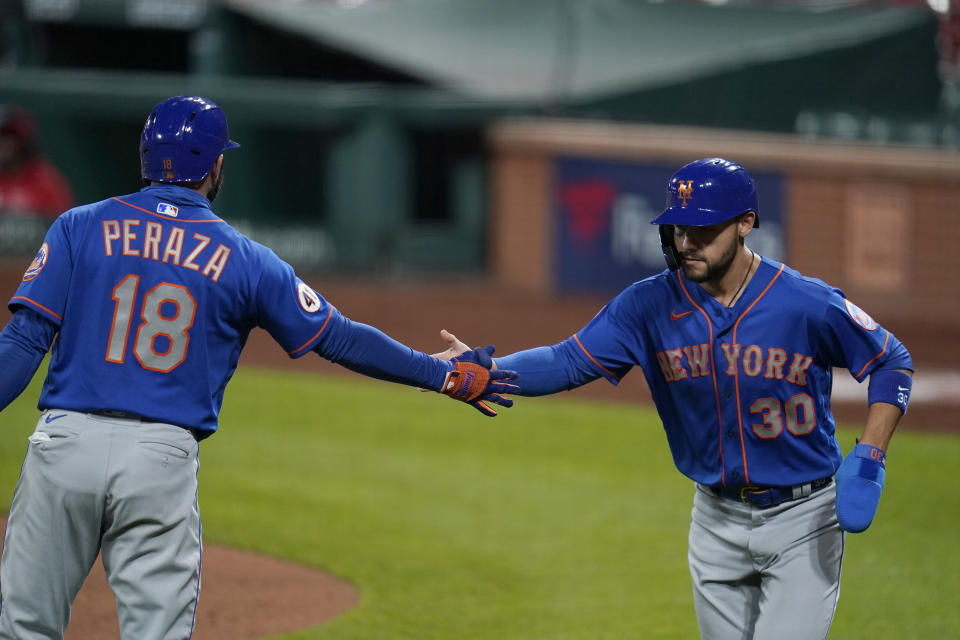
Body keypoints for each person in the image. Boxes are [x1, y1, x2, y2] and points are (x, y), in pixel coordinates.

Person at [0, 95, 518, 640]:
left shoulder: (77, 226)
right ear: (215, 163)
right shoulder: (246, 259)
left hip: (63, 447)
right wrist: (442, 374)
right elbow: (339, 338)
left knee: (24, 629)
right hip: (160, 458)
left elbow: (23, 342)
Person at [437, 157, 913, 640]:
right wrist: (489, 370)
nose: (688, 242)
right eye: (681, 228)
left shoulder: (806, 303)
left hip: (803, 519)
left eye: (705, 229)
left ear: (746, 224)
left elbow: (891, 360)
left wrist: (870, 457)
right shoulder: (647, 305)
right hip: (714, 519)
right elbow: (567, 361)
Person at [0, 107, 73, 220]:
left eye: (7, 138)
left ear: (20, 142)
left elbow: (62, 225)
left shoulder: (44, 180)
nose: (2, 144)